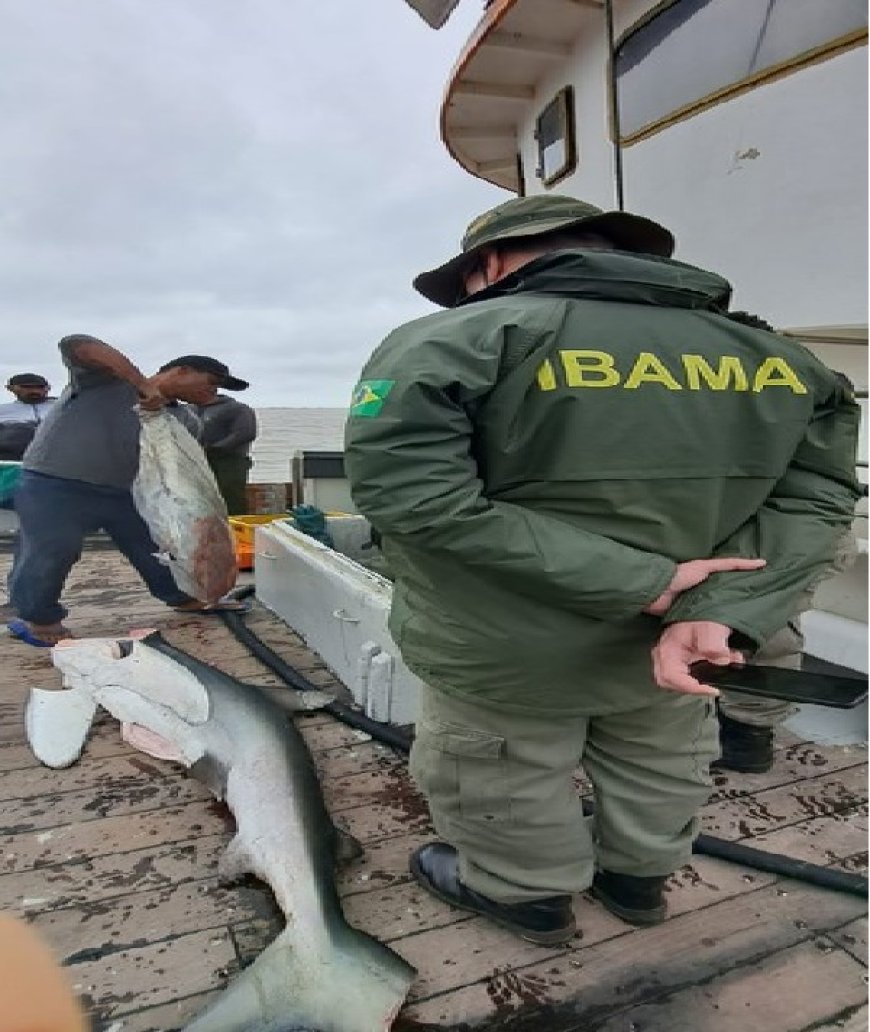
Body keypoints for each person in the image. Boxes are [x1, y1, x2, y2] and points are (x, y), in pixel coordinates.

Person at [344, 194, 861, 944]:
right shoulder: (782, 359)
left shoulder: (453, 338)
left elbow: (409, 494)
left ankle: (526, 897)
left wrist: (641, 582)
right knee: (660, 755)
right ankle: (638, 882)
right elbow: (817, 500)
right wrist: (717, 608)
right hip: (682, 644)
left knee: (503, 768)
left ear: (487, 266)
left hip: (499, 643)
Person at [6, 335, 250, 647]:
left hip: (126, 492)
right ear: (181, 371)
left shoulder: (185, 421)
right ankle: (37, 617)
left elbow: (181, 474)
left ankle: (184, 596)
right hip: (55, 482)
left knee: (159, 546)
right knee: (54, 547)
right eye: (212, 382)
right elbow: (77, 344)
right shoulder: (103, 381)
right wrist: (143, 386)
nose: (213, 392)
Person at [192, 385, 257, 515]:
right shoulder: (190, 410)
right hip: (197, 462)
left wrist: (213, 448)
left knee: (231, 501)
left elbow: (245, 433)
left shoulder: (237, 409)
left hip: (229, 464)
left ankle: (236, 530)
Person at [0, 373, 56, 461]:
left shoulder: (64, 406)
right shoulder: (3, 411)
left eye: (40, 387)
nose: (35, 391)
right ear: (11, 388)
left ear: (48, 388)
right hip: (13, 459)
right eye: (27, 387)